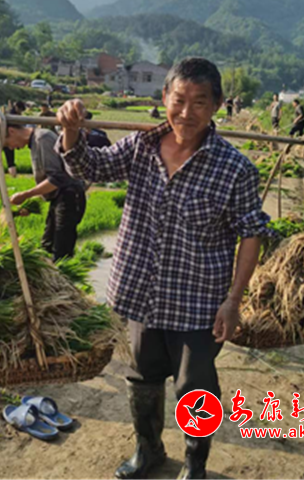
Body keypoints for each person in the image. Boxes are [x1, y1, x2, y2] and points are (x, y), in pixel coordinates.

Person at [56, 57, 271, 480]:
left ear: (217, 106)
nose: (187, 113)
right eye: (179, 100)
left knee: (196, 390)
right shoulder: (141, 147)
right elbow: (89, 167)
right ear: (164, 98)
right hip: (141, 294)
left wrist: (233, 301)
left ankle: (195, 464)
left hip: (198, 303)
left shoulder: (235, 169)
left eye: (199, 102)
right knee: (142, 377)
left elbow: (251, 233)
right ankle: (148, 450)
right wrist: (71, 131)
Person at [4, 123, 86, 261]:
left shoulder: (42, 138)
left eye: (7, 144)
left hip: (69, 196)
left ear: (11, 131)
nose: (11, 148)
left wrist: (26, 195)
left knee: (61, 251)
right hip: (59, 197)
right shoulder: (35, 142)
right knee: (46, 246)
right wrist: (30, 204)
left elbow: (57, 178)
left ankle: (61, 273)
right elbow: (50, 181)